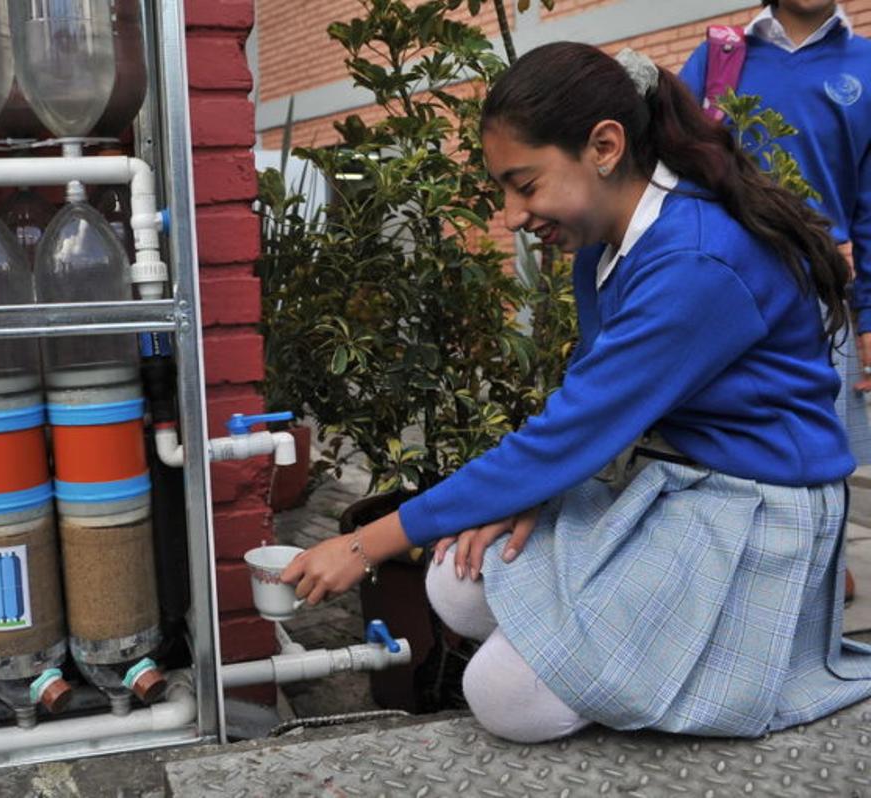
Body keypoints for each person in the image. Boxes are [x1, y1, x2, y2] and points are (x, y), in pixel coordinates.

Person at [281, 40, 871, 744]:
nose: (510, 216)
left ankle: (656, 661)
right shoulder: (603, 243)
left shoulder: (696, 262)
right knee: (453, 580)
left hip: (750, 510)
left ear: (605, 145)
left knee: (502, 698)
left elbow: (570, 434)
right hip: (671, 474)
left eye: (525, 185)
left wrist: (364, 545)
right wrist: (535, 491)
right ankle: (610, 649)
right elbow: (588, 413)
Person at [681, 0, 871, 601]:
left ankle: (824, 556)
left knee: (823, 435)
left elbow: (868, 209)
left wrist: (868, 320)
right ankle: (748, 564)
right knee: (735, 432)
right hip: (728, 290)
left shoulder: (866, 64)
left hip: (822, 295)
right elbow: (677, 171)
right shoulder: (719, 58)